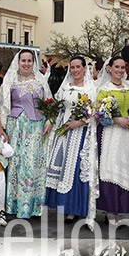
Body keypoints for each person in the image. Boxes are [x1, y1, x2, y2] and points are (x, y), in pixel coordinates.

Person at [92, 54, 129, 219]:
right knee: (111, 168)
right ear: (109, 68)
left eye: (122, 67)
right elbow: (98, 113)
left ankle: (125, 205)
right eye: (116, 67)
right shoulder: (104, 89)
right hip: (110, 133)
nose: (119, 70)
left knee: (128, 168)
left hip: (128, 134)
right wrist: (117, 119)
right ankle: (111, 210)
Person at [0, 49, 50, 219]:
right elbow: (3, 105)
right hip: (16, 127)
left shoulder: (40, 80)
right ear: (18, 62)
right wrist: (2, 128)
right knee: (16, 164)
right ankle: (15, 205)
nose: (26, 64)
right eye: (23, 61)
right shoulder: (10, 81)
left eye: (29, 60)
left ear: (33, 62)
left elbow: (50, 102)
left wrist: (50, 119)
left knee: (32, 164)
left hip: (36, 127)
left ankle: (33, 206)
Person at [45, 56, 96, 221]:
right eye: (72, 67)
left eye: (78, 67)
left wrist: (79, 122)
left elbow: (95, 113)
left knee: (75, 168)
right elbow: (57, 105)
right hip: (63, 130)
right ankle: (64, 207)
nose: (75, 70)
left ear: (84, 68)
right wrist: (51, 119)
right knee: (61, 165)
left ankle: (76, 207)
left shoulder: (91, 89)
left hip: (80, 132)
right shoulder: (65, 87)